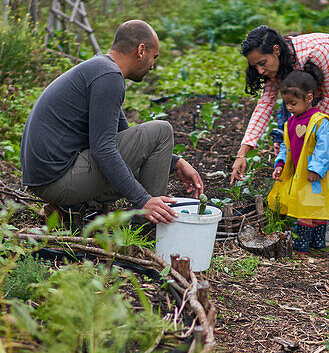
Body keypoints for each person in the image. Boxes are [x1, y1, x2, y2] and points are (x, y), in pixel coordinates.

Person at [21, 20, 203, 224]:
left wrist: (175, 162)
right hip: (58, 181)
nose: (153, 65)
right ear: (141, 50)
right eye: (154, 57)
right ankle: (148, 226)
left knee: (131, 168)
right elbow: (103, 149)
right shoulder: (109, 77)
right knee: (161, 130)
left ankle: (72, 208)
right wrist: (144, 200)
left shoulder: (101, 69)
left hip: (49, 179)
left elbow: (124, 138)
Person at [230, 25, 329, 246]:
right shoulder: (278, 70)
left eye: (262, 63)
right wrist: (242, 153)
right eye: (255, 67)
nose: (260, 71)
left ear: (276, 50)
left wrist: (309, 135)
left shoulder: (315, 53)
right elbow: (264, 107)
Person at [268, 70, 329, 255]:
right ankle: (315, 244)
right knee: (307, 205)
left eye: (293, 103)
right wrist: (280, 164)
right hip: (301, 174)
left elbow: (327, 147)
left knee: (310, 208)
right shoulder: (291, 122)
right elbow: (286, 146)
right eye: (286, 103)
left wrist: (317, 168)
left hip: (316, 174)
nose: (289, 107)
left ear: (309, 98)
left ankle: (304, 247)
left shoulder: (319, 122)